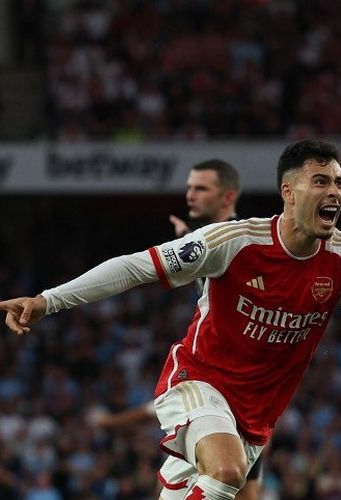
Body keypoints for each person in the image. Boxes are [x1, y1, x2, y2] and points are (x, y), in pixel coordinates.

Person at [0, 139, 341, 500]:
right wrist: (47, 301)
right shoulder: (234, 241)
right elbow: (137, 267)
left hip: (256, 415)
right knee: (228, 470)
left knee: (217, 480)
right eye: (321, 182)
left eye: (339, 182)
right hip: (199, 380)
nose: (335, 192)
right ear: (289, 193)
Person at [91, 159, 264, 500]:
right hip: (217, 385)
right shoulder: (209, 243)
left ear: (228, 195)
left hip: (242, 391)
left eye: (201, 188)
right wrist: (186, 238)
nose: (190, 195)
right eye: (189, 187)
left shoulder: (244, 244)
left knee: (226, 485)